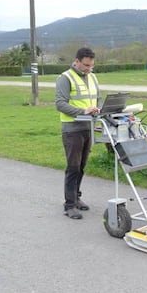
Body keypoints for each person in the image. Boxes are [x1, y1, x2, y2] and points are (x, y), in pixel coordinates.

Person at [55, 47, 102, 219]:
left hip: (87, 128)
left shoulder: (93, 76)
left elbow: (98, 97)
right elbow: (60, 103)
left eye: (91, 66)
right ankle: (69, 205)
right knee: (73, 167)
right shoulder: (65, 78)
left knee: (82, 167)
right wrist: (83, 111)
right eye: (86, 65)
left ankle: (76, 197)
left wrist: (99, 108)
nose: (89, 69)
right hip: (72, 129)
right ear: (76, 61)